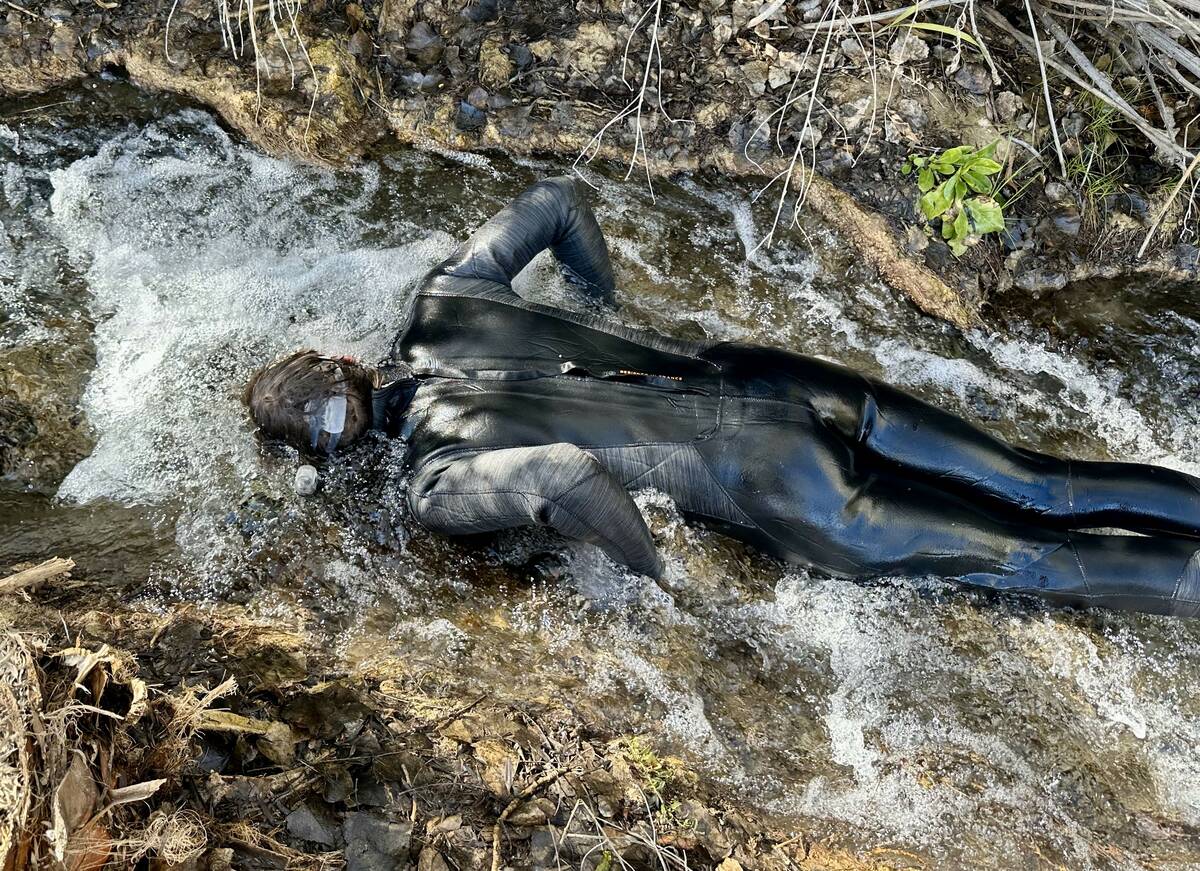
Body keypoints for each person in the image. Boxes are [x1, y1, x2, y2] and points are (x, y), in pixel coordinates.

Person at [244, 176, 1200, 617]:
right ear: (338, 358)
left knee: (1032, 563)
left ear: (326, 453)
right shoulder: (445, 300)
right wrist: (595, 306)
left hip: (777, 484)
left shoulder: (426, 481)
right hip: (770, 379)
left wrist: (657, 589)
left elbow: (564, 474)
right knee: (1043, 480)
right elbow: (558, 200)